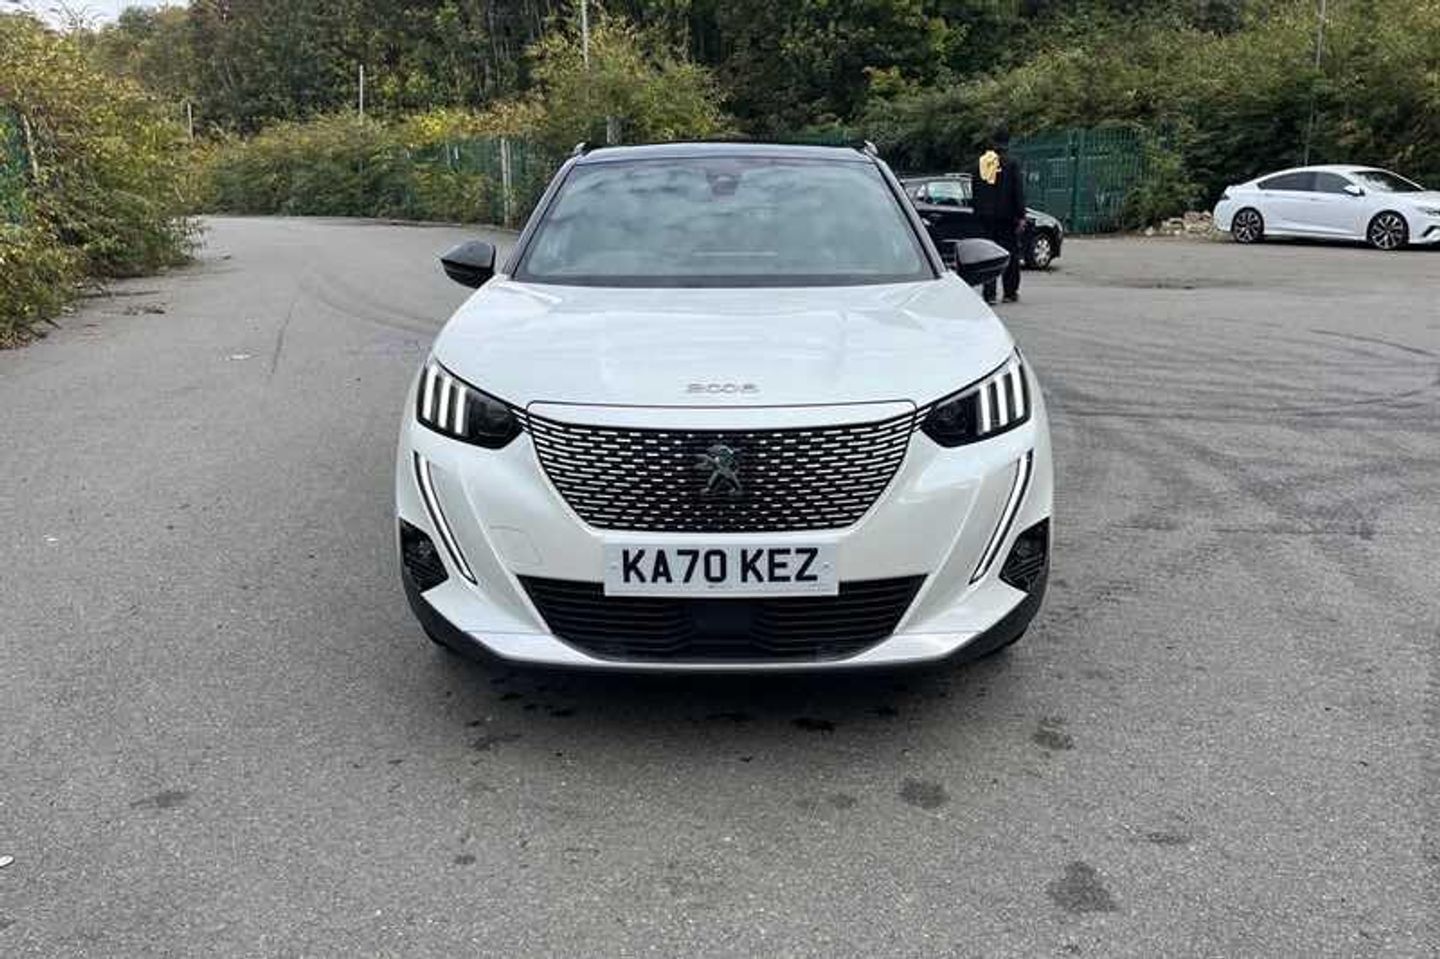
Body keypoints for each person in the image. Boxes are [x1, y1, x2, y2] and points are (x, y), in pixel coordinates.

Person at [970, 126, 1026, 304]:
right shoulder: (1011, 164)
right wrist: (1021, 215)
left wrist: (978, 212)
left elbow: (974, 190)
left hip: (985, 217)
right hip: (1007, 217)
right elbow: (1017, 191)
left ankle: (989, 294)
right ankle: (1010, 292)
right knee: (1010, 253)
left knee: (988, 254)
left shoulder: (981, 164)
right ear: (1007, 142)